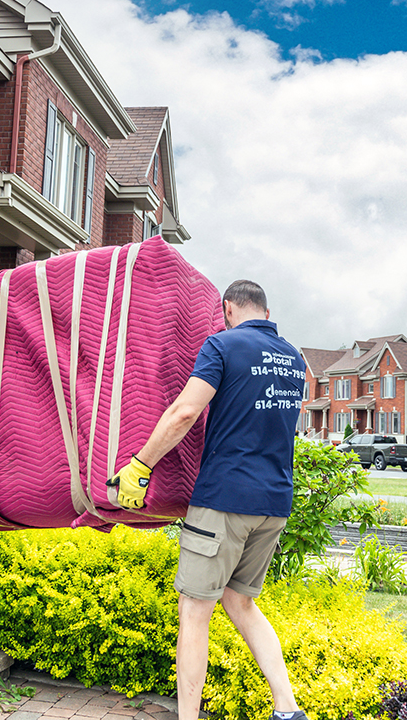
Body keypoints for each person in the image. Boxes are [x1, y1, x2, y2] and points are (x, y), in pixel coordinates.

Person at [109, 280, 308, 720]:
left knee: (195, 610)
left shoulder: (222, 345)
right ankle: (288, 709)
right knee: (240, 600)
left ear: (228, 309)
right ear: (266, 311)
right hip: (274, 501)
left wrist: (141, 466)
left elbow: (184, 412)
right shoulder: (295, 359)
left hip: (224, 498)